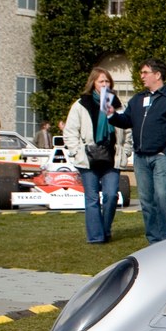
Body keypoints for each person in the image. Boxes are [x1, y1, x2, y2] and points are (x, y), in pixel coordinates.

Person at [106, 58, 166, 244]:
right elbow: (126, 121)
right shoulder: (138, 99)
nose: (141, 76)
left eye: (145, 73)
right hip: (141, 157)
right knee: (146, 200)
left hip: (161, 157)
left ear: (157, 75)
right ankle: (153, 239)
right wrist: (111, 115)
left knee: (161, 196)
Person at [64, 68, 124, 244]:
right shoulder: (81, 104)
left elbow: (126, 131)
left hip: (111, 156)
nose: (104, 84)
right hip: (88, 157)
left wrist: (125, 151)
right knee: (92, 199)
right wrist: (76, 151)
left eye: (107, 81)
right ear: (93, 84)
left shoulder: (116, 105)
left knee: (111, 195)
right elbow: (70, 132)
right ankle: (96, 237)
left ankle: (105, 229)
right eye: (101, 81)